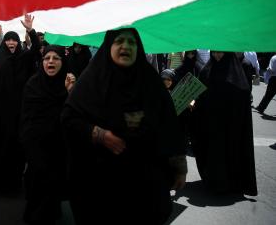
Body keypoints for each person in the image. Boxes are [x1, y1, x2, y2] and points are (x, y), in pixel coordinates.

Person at [61, 28, 187, 225]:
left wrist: (180, 167)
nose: (126, 46)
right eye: (119, 41)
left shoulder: (150, 82)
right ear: (108, 46)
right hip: (101, 184)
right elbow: (69, 118)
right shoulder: (92, 80)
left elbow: (169, 124)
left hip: (145, 184)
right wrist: (100, 134)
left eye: (131, 42)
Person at [0, 16, 40, 193]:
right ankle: (0, 183)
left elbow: (36, 49)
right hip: (0, 116)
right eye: (8, 39)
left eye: (14, 39)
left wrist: (30, 31)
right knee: (2, 148)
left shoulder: (23, 59)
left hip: (20, 115)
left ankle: (15, 183)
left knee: (17, 150)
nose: (11, 42)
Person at [20, 45, 76, 225]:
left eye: (55, 58)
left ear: (63, 62)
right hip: (37, 146)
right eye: (46, 58)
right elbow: (27, 118)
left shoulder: (68, 84)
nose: (50, 61)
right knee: (39, 182)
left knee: (54, 184)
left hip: (59, 146)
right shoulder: (33, 84)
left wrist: (69, 93)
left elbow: (72, 116)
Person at [191, 51, 257, 196]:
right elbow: (200, 93)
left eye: (221, 51)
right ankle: (213, 181)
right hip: (210, 123)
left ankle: (230, 183)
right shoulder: (207, 70)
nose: (217, 55)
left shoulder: (236, 72)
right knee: (211, 152)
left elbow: (243, 95)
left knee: (230, 153)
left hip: (230, 125)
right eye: (214, 51)